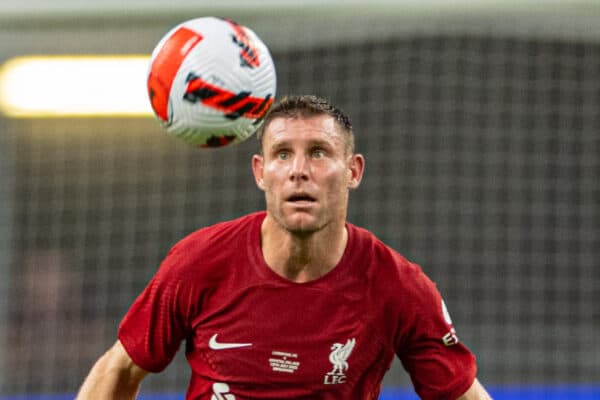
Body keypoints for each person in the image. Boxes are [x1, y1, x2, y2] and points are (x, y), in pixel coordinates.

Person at [77, 95, 491, 399]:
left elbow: (462, 394)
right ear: (260, 173)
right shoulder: (199, 262)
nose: (298, 172)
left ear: (353, 171)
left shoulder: (397, 285)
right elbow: (120, 369)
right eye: (281, 154)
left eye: (318, 153)